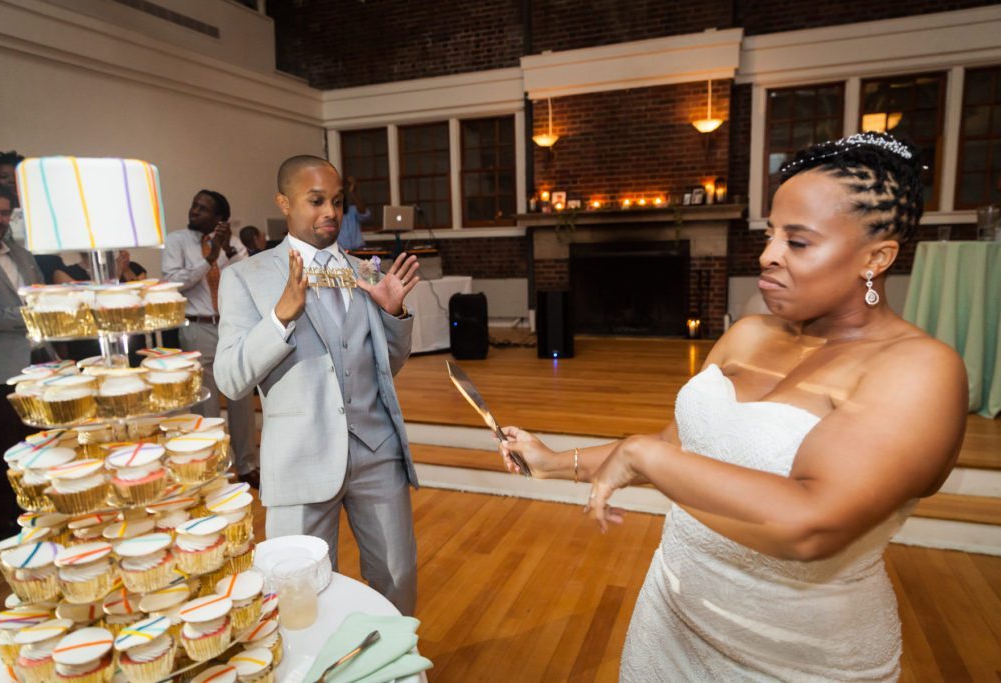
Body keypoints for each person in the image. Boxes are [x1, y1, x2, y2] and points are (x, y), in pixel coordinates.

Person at [499, 132, 968, 681]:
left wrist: (644, 458)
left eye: (798, 242)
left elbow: (810, 527)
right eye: (770, 234)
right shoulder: (747, 334)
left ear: (876, 257)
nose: (767, 255)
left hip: (792, 655)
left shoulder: (920, 370)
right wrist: (552, 461)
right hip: (670, 614)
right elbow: (680, 446)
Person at [213, 155, 422, 614]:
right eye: (316, 201)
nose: (331, 212)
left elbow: (387, 365)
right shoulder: (245, 278)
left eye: (337, 201)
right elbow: (230, 380)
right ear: (284, 202)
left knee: (397, 575)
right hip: (300, 457)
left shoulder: (364, 271)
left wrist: (393, 314)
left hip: (375, 450)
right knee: (299, 591)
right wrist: (279, 318)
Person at [161, 190, 258, 486]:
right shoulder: (177, 241)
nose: (195, 211)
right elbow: (171, 282)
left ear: (219, 219)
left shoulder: (231, 242)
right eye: (194, 205)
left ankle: (247, 464)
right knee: (206, 403)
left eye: (203, 209)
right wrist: (209, 258)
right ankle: (213, 469)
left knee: (241, 397)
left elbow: (250, 273)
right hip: (197, 327)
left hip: (232, 327)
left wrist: (227, 248)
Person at [0, 180, 43, 555]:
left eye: (3, 212)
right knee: (1, 453)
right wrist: (17, 316)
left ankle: (32, 523)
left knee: (34, 449)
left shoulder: (20, 253)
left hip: (36, 365)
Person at [336, 175, 370, 252]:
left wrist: (353, 192)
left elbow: (364, 213)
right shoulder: (333, 213)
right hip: (341, 253)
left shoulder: (353, 210)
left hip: (359, 250)